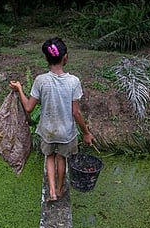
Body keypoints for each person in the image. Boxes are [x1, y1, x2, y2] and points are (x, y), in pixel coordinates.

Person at [10, 37, 95, 202]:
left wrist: (20, 89)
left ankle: (52, 192)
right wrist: (86, 133)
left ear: (46, 59)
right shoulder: (73, 81)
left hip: (47, 131)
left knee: (49, 157)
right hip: (66, 133)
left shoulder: (41, 80)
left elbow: (28, 107)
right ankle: (60, 188)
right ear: (65, 58)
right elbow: (76, 112)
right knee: (61, 158)